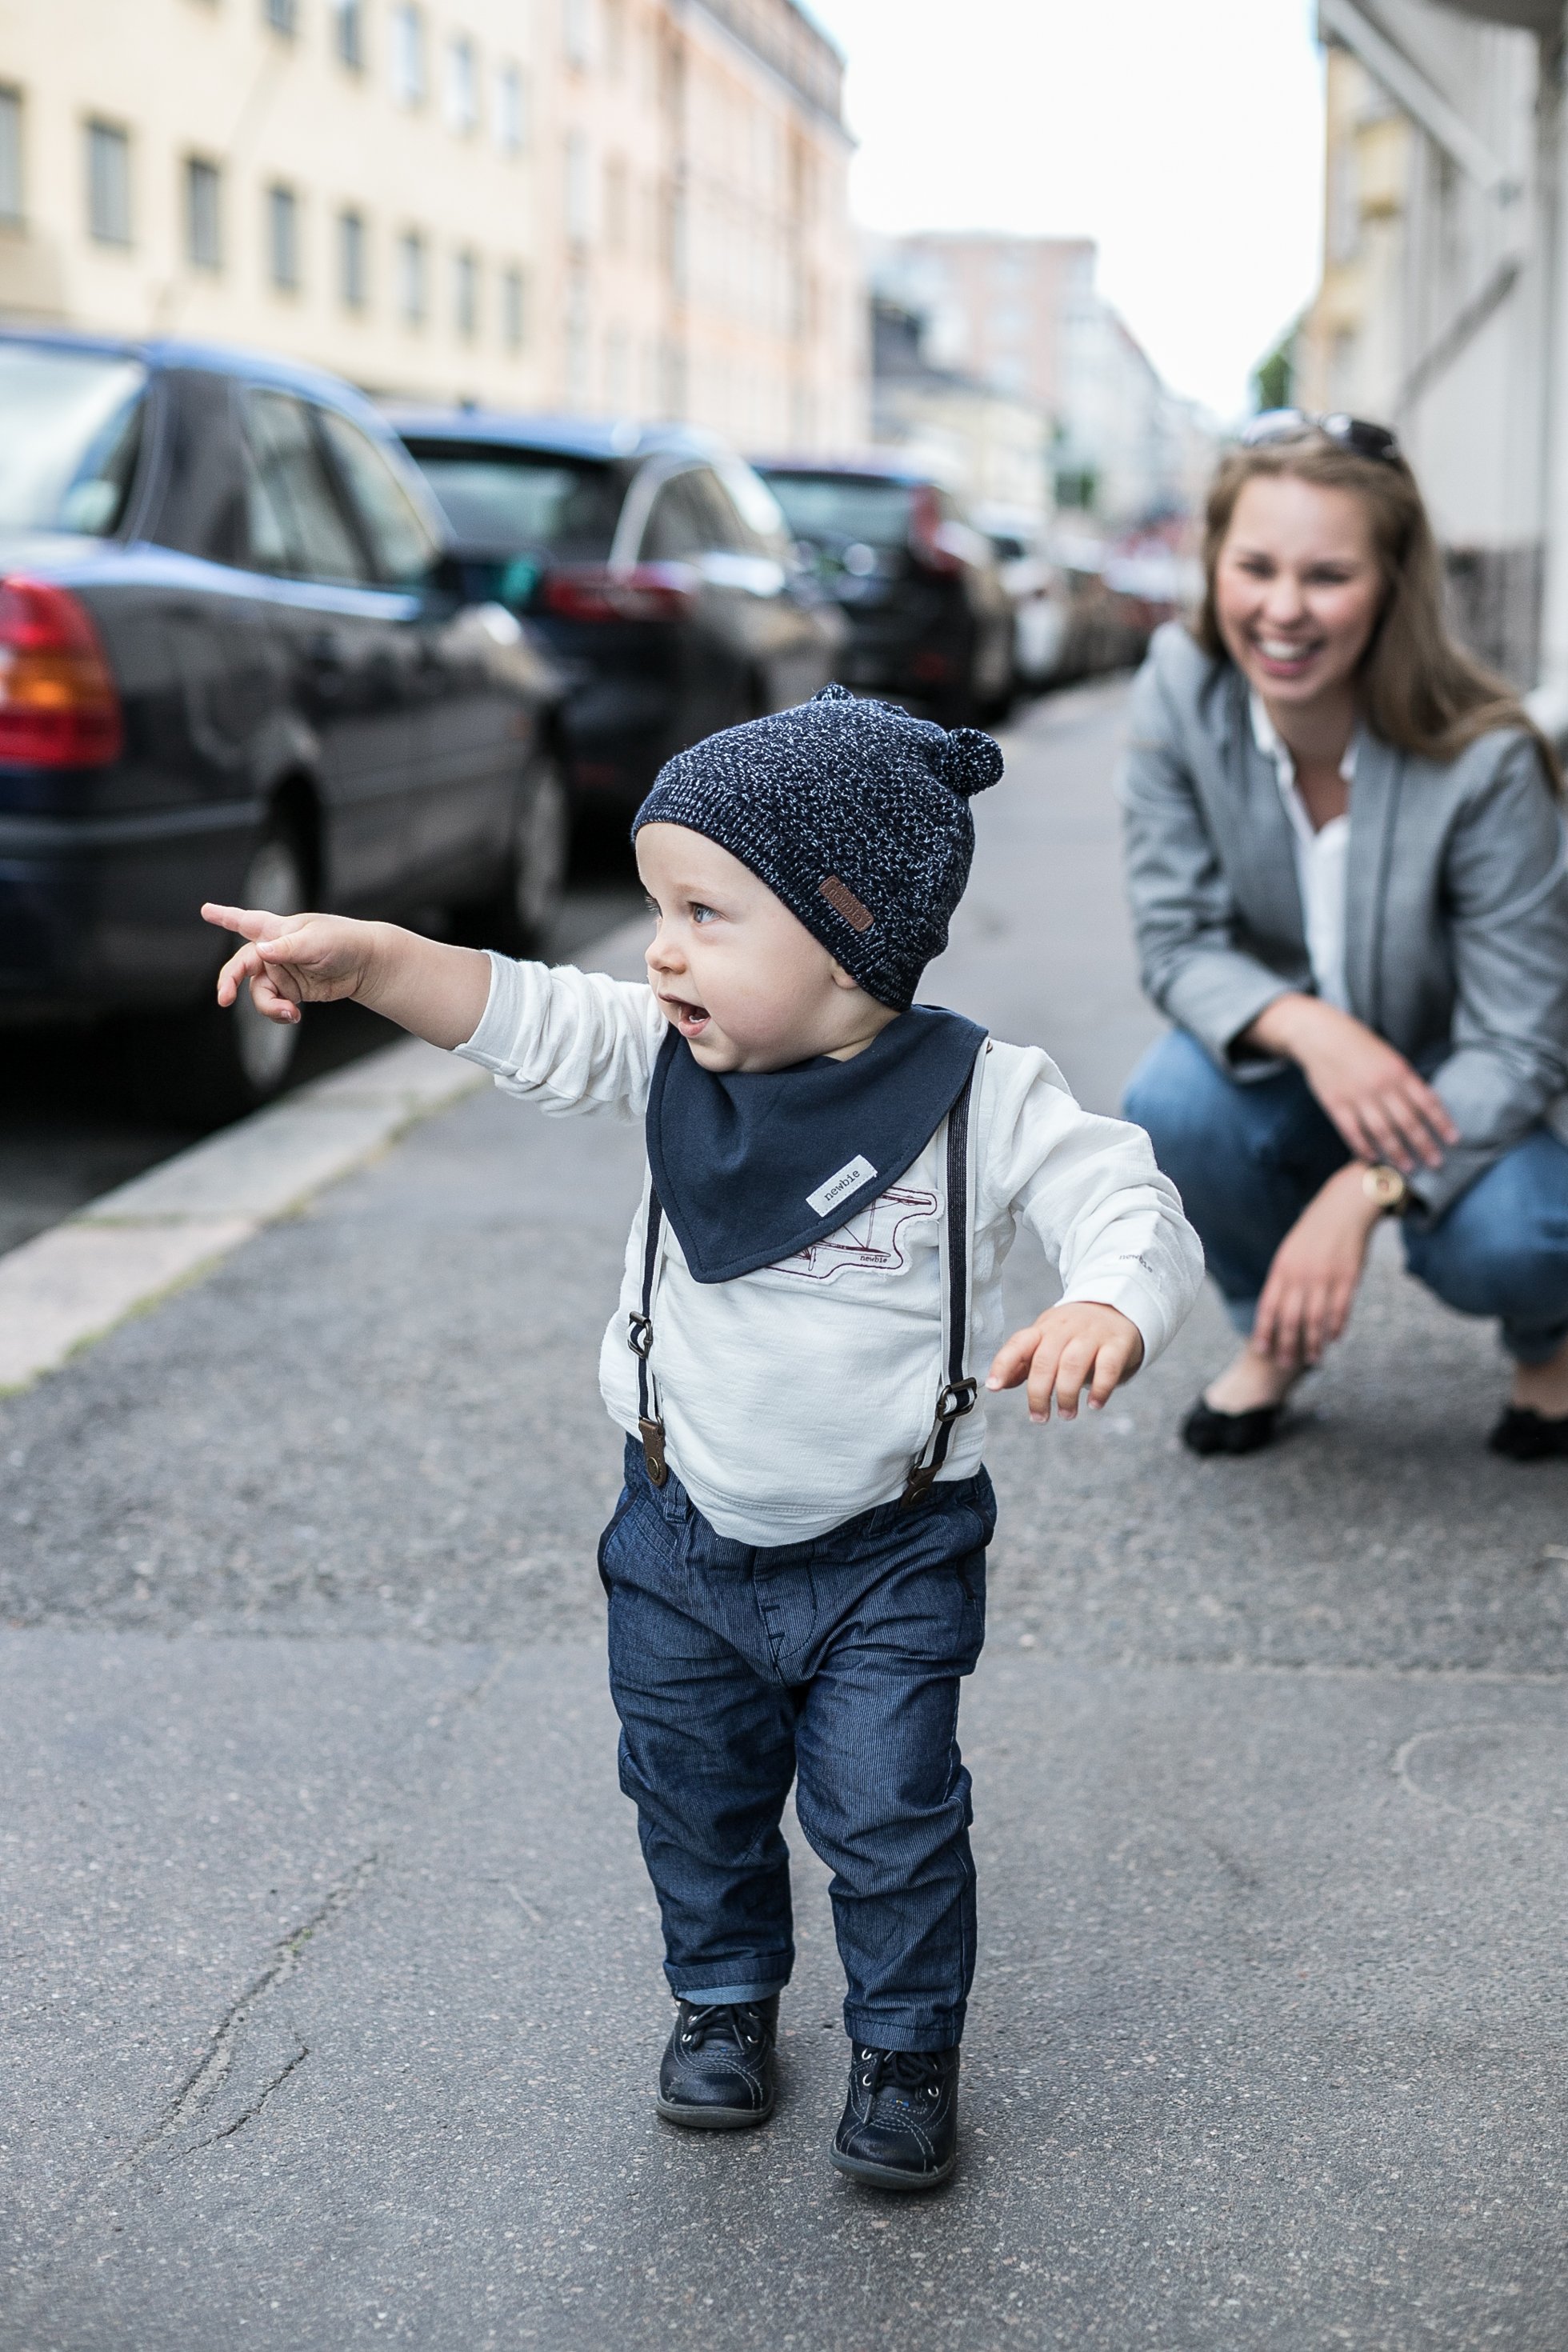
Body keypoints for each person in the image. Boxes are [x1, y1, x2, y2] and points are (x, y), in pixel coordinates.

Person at [204, 686, 1202, 2191]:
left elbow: (1126, 1198)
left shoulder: (980, 1100)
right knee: (691, 1789)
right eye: (658, 905)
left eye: (705, 912)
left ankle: (908, 2045)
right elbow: (515, 1004)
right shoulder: (669, 1049)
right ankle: (725, 2004)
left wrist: (1109, 1304)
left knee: (889, 1814)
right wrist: (372, 962)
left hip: (888, 1548)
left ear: (849, 931)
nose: (660, 947)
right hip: (677, 1530)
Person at [1120, 411, 1568, 1460]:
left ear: (1393, 583)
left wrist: (1361, 1193)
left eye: (1326, 575)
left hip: (1456, 1086)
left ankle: (1550, 1343)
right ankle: (1275, 1330)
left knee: (1525, 1237)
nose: (1282, 610)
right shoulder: (1179, 693)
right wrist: (1315, 1032)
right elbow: (1177, 942)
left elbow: (1521, 1040)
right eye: (1256, 567)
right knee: (1172, 1104)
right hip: (1294, 1070)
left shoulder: (1488, 756)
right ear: (1215, 565)